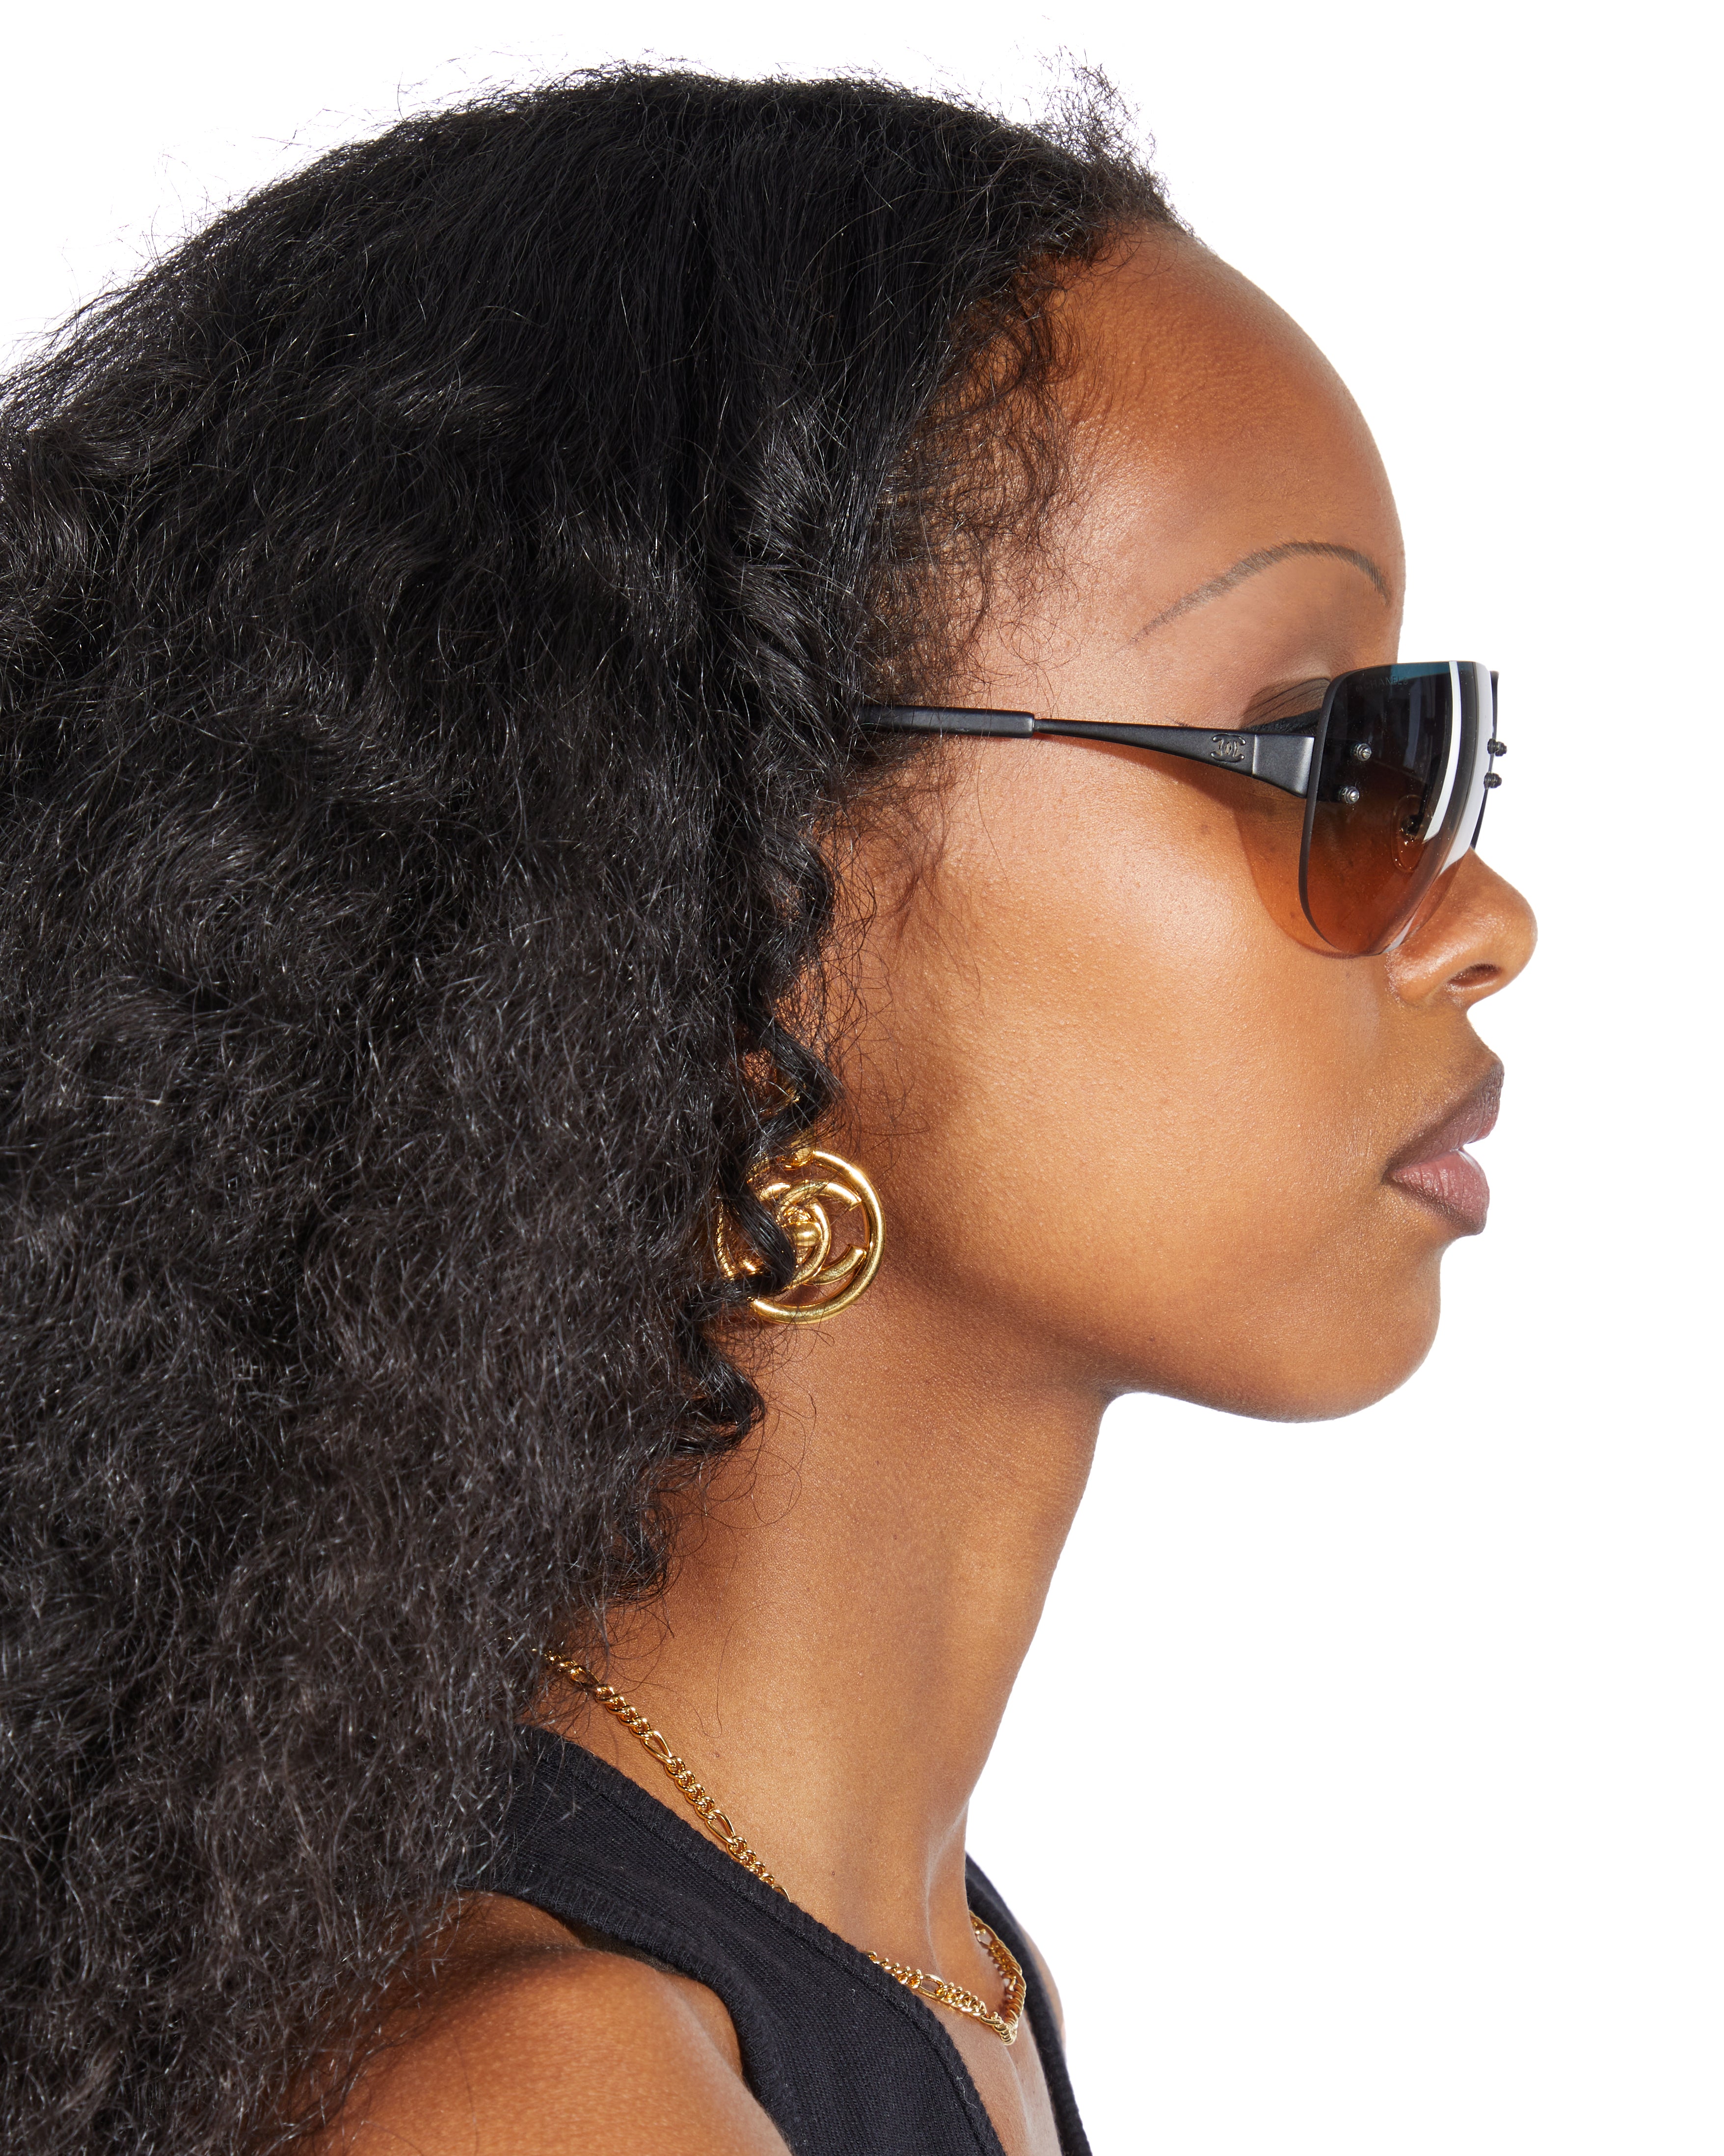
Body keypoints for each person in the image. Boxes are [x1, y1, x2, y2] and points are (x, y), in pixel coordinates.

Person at [0, 68, 1535, 2156]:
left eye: (1431, 759)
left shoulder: (937, 1972)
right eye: (1321, 752)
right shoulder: (561, 2092)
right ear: (736, 891)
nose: (1482, 919)